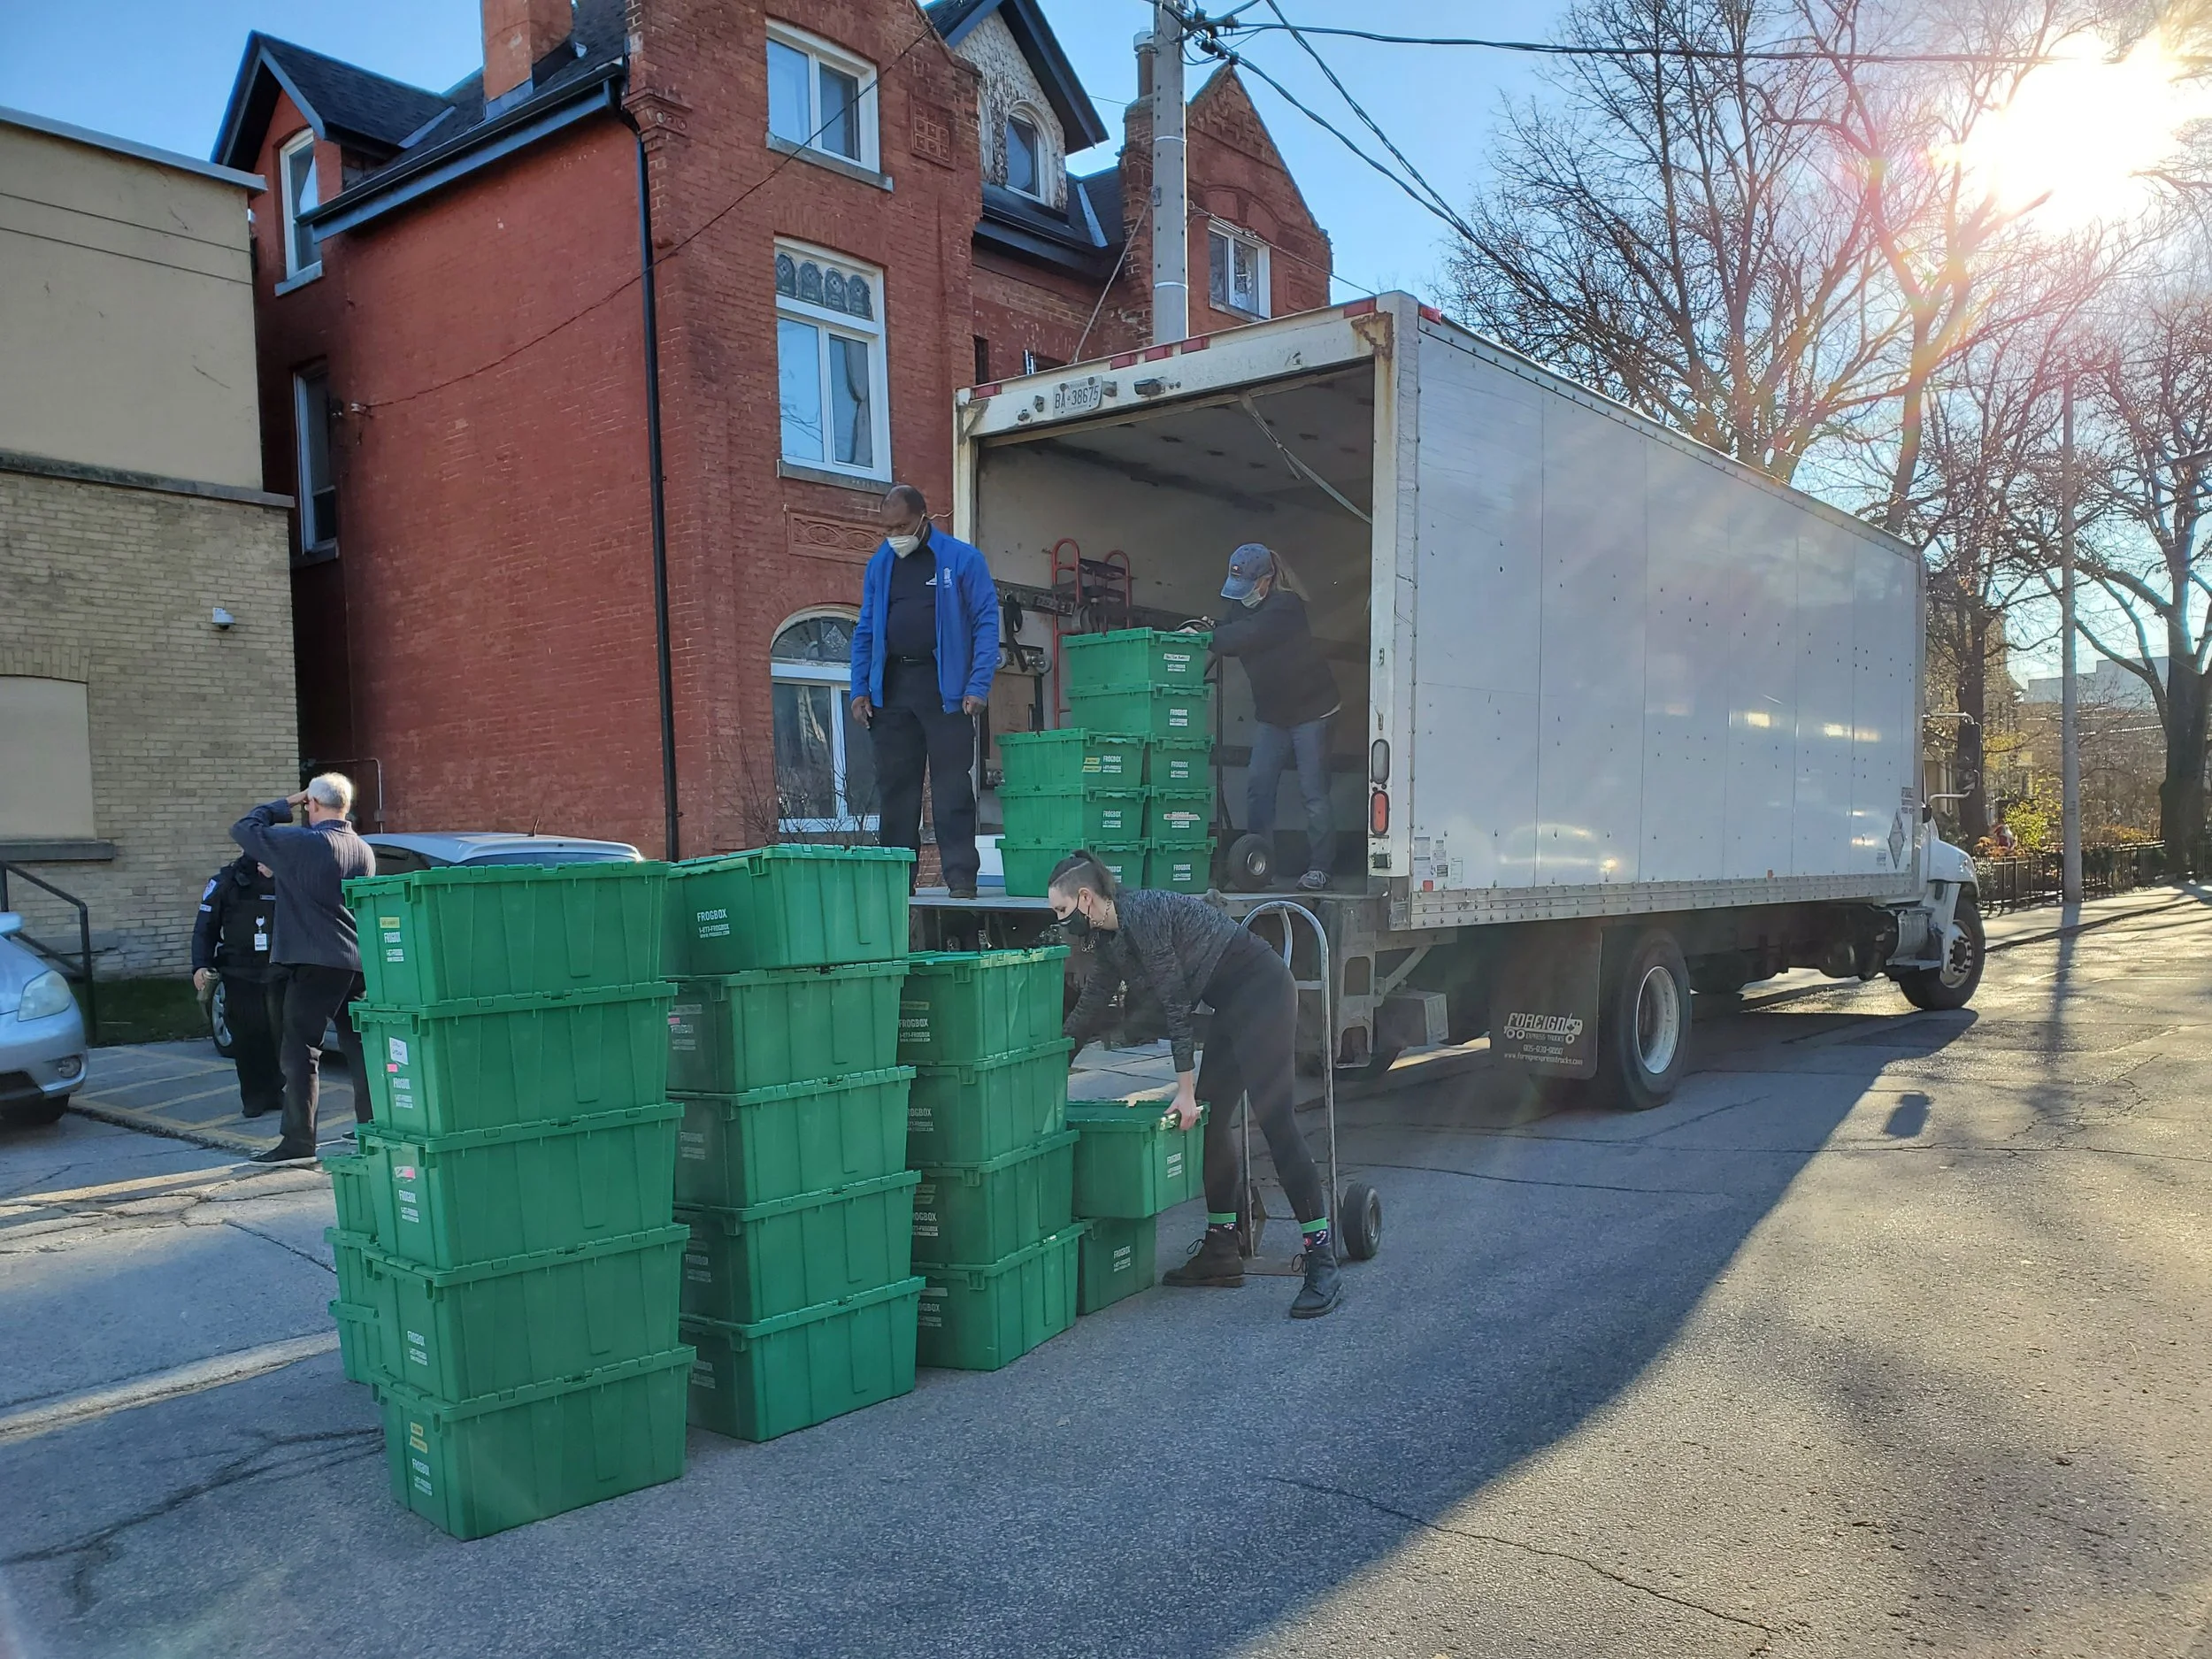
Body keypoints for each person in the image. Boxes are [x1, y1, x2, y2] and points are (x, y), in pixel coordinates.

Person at [1051, 849, 1340, 1318]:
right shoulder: (1109, 941)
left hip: (1263, 990)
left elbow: (1174, 1005)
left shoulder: (1141, 914)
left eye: (1062, 911)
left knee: (1275, 1120)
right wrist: (1050, 1062)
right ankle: (1222, 1248)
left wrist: (1182, 1090)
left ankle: (1322, 1258)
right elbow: (1089, 1010)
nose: (1061, 921)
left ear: (1085, 899)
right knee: (1210, 1119)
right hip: (1231, 1003)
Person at [849, 483, 999, 899]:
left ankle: (962, 880)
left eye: (901, 525)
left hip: (946, 690)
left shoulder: (963, 560)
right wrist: (859, 688)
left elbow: (987, 624)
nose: (894, 535)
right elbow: (865, 630)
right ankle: (897, 883)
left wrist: (978, 684)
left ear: (923, 519)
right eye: (887, 528)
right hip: (893, 690)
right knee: (897, 790)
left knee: (951, 789)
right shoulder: (881, 565)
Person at [229, 773, 375, 1164]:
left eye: (308, 804)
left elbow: (244, 828)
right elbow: (322, 887)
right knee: (359, 1048)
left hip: (314, 961)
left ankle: (298, 1140)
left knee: (299, 1052)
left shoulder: (306, 842)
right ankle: (372, 1126)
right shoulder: (362, 849)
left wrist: (287, 801)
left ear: (312, 804)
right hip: (357, 961)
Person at [1209, 542, 1340, 892]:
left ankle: (1321, 868)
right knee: (1258, 787)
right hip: (1274, 714)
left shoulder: (1287, 606)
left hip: (1313, 710)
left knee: (1313, 793)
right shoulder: (1240, 607)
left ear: (1267, 579)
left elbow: (1248, 634)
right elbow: (1229, 637)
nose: (1243, 596)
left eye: (1249, 586)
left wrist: (1213, 637)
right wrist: (1206, 635)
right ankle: (1256, 864)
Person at [191, 856, 283, 1119]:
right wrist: (200, 965)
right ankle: (253, 1096)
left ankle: (277, 1091)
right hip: (239, 969)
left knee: (278, 1034)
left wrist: (279, 877)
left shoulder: (285, 876)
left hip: (278, 969)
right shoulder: (227, 881)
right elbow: (205, 928)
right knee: (246, 1034)